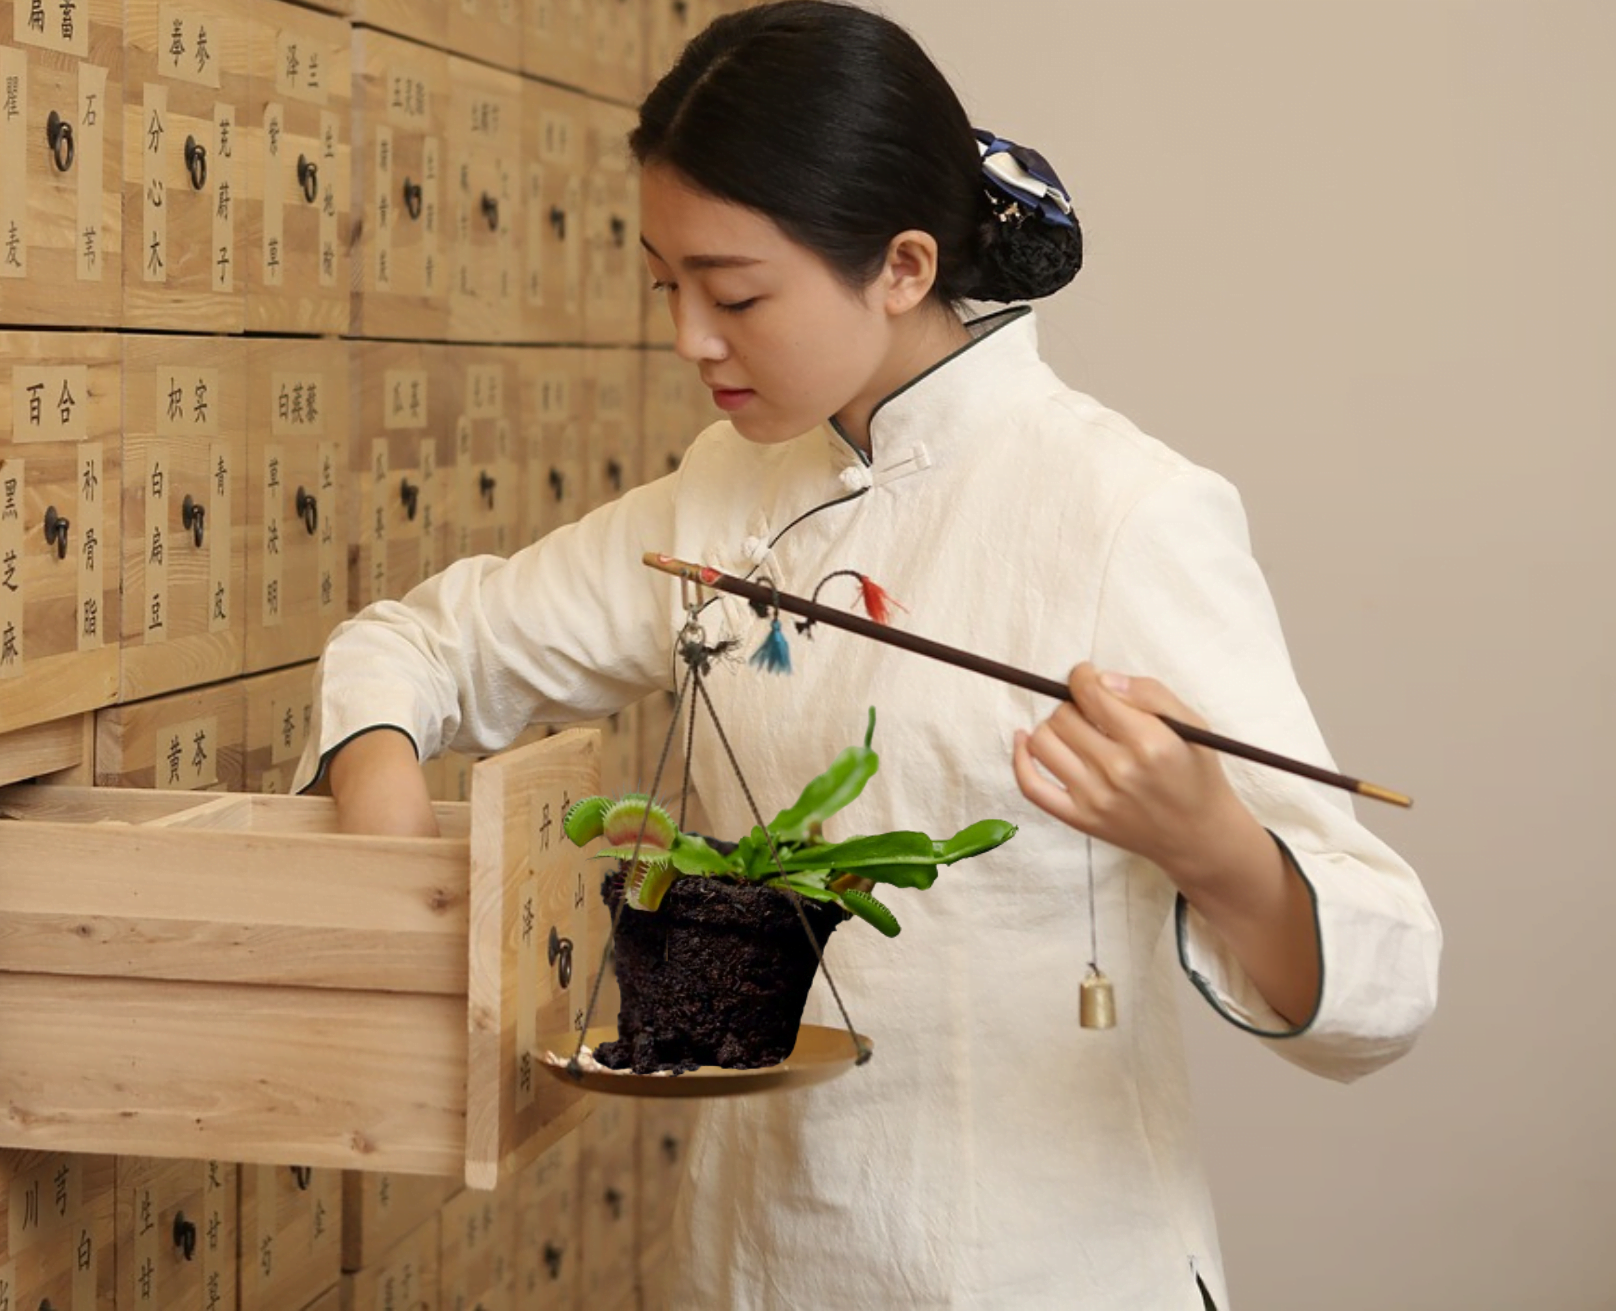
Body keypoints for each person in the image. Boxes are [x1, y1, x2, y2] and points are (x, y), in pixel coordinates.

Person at [294, 2, 1442, 1305]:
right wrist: (384, 815)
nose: (689, 341)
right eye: (668, 286)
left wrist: (1213, 843)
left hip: (1050, 1272)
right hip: (758, 1262)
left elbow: (1390, 976)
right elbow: (428, 645)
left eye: (735, 294)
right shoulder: (722, 495)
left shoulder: (1122, 511)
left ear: (901, 266)